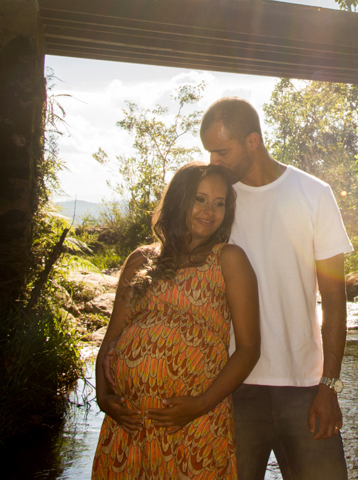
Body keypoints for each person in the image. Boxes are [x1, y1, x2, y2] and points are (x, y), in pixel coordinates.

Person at [200, 97, 352, 480]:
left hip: (304, 389)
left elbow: (335, 302)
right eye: (209, 152)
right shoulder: (217, 205)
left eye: (221, 151)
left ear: (252, 142)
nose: (213, 162)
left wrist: (328, 387)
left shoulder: (314, 194)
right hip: (234, 389)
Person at [92, 161, 260, 480]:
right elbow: (111, 338)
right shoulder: (140, 260)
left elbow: (249, 349)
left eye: (219, 203)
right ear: (179, 199)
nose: (209, 211)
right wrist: (103, 398)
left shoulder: (229, 260)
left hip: (194, 424)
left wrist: (200, 404)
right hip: (129, 427)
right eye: (200, 199)